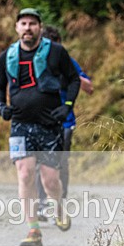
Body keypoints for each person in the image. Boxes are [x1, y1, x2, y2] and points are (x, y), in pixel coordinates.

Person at [0, 8, 81, 246]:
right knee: (24, 173)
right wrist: (1, 106)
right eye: (23, 23)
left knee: (50, 180)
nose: (28, 28)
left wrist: (68, 106)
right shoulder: (7, 56)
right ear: (17, 28)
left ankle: (59, 208)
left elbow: (73, 78)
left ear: (40, 28)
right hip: (20, 125)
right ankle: (33, 230)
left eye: (32, 23)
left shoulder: (56, 52)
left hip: (49, 124)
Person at [35, 25, 93, 222]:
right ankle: (43, 204)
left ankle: (59, 202)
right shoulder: (32, 60)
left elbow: (89, 87)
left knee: (59, 163)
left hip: (65, 121)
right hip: (40, 120)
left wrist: (68, 73)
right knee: (40, 162)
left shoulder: (67, 61)